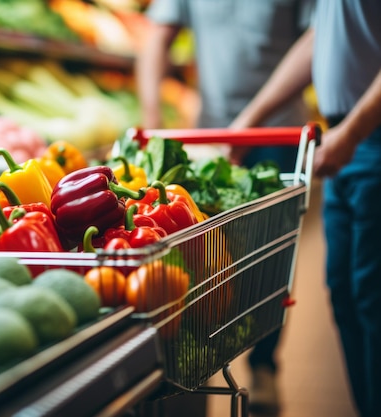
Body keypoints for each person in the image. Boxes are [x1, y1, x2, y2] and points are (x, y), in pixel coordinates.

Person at [135, 0, 315, 412]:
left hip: (278, 133)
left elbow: (316, 37)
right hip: (209, 133)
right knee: (208, 262)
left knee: (269, 259)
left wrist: (247, 125)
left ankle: (266, 364)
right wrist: (152, 117)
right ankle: (207, 361)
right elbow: (157, 36)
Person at [230, 2, 381, 416]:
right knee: (348, 294)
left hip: (367, 134)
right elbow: (320, 37)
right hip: (346, 136)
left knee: (372, 297)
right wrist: (250, 120)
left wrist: (353, 130)